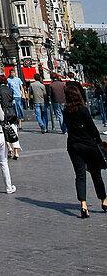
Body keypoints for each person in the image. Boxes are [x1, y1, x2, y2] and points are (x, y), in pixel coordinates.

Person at [62, 80, 107, 217]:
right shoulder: (83, 110)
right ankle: (104, 200)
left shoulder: (66, 111)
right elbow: (92, 129)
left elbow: (67, 127)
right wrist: (99, 142)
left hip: (73, 145)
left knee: (80, 175)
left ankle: (83, 204)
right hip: (88, 145)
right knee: (95, 173)